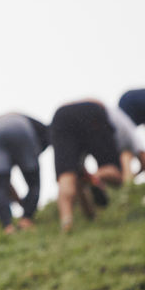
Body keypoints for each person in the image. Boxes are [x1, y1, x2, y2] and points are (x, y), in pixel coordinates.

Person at [49, 99, 124, 232]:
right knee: (116, 174)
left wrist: (91, 216)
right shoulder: (117, 117)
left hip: (61, 116)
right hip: (92, 112)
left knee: (67, 176)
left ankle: (66, 221)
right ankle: (96, 177)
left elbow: (78, 182)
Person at [0, 112, 50, 233]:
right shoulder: (43, 132)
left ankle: (8, 227)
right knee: (34, 183)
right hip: (18, 125)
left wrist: (21, 202)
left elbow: (1, 184)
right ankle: (26, 220)